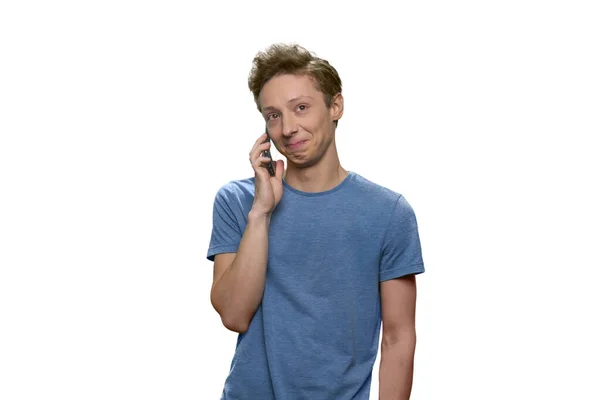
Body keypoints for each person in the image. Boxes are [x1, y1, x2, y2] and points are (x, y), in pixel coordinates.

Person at [206, 43, 425, 400]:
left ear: (335, 106)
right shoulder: (238, 201)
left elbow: (398, 337)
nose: (288, 128)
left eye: (301, 108)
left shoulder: (389, 213)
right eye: (273, 115)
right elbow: (234, 315)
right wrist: (261, 213)